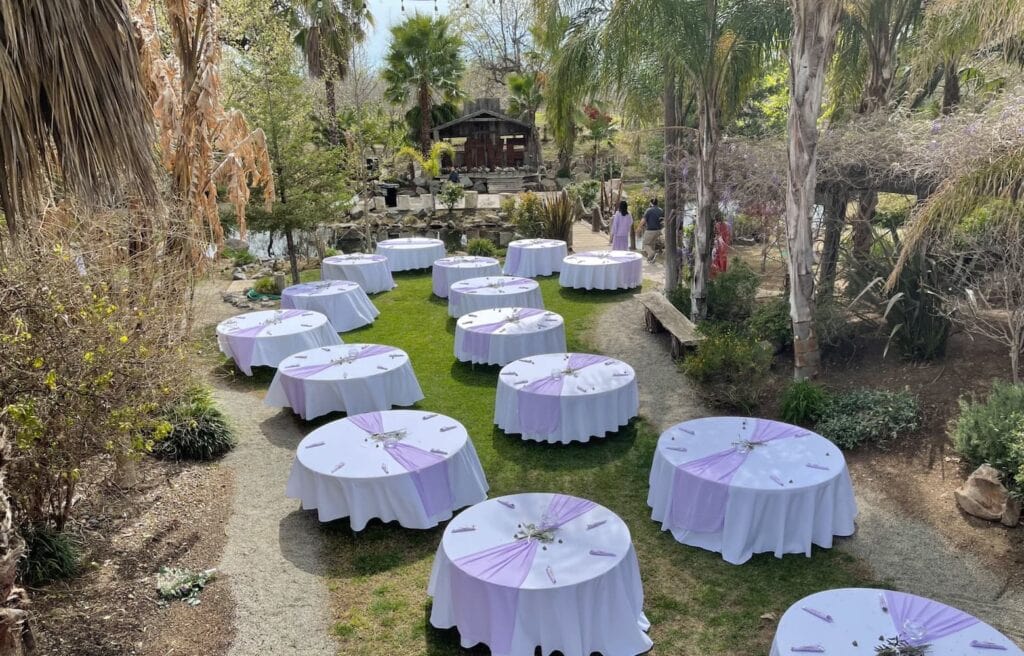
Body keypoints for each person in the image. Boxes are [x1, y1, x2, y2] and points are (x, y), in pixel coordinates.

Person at [638, 198, 664, 263]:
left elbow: (643, 220)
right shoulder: (661, 210)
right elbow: (662, 220)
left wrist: (639, 227)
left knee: (645, 244)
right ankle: (650, 259)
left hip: (650, 230)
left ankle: (652, 254)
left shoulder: (649, 210)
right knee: (651, 244)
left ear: (651, 203)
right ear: (657, 203)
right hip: (658, 231)